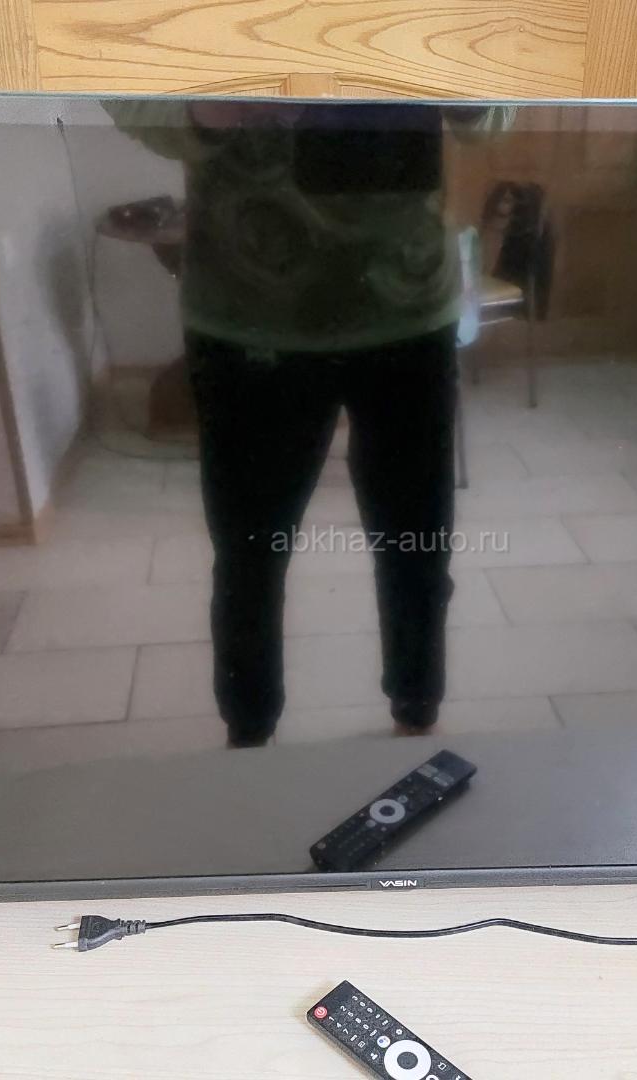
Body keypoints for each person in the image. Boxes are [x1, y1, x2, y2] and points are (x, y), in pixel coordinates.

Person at [106, 99, 508, 747]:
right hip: (249, 318)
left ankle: (416, 715)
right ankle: (250, 736)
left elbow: (499, 102)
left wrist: (461, 85)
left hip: (406, 310)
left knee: (417, 548)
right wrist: (211, 107)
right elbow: (127, 94)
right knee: (250, 557)